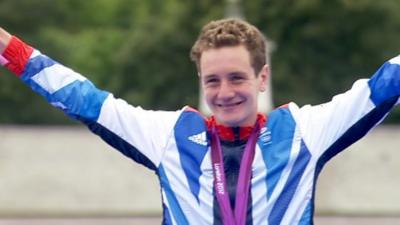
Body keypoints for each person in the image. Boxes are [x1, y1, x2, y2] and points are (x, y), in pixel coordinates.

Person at [0, 18, 399, 225]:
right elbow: (84, 100)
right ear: (200, 82)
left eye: (237, 77)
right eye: (213, 80)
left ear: (262, 78)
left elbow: (382, 86)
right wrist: (8, 48)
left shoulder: (304, 133)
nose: (224, 93)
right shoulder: (169, 137)